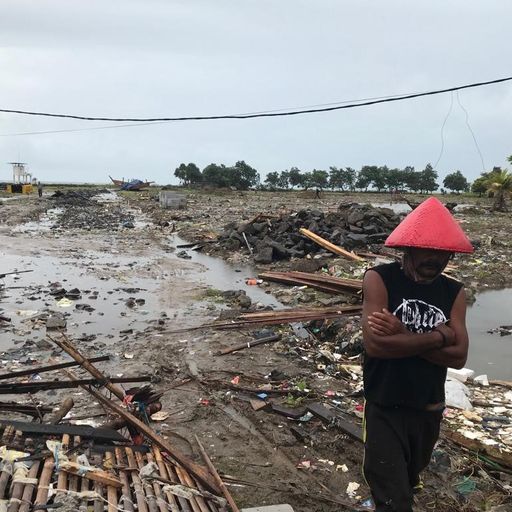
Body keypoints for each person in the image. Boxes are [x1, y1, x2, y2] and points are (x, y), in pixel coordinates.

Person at [361, 197, 474, 511]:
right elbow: (376, 346)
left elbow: (459, 356)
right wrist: (440, 336)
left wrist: (404, 337)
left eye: (442, 253)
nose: (434, 259)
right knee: (392, 497)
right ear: (408, 248)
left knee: (409, 481)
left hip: (429, 408)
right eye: (427, 249)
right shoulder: (379, 279)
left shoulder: (454, 292)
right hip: (385, 405)